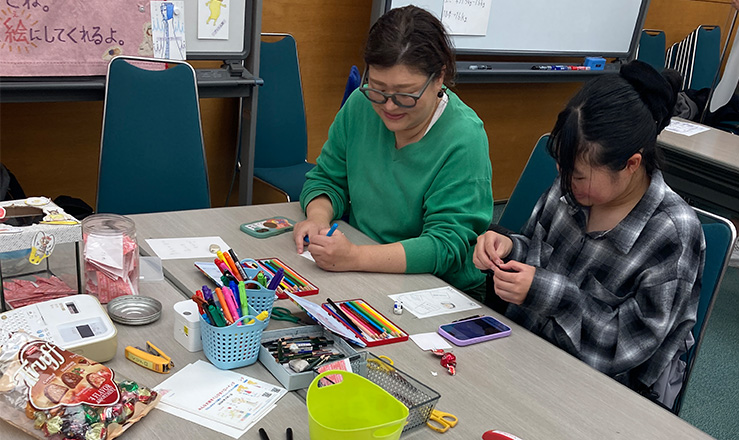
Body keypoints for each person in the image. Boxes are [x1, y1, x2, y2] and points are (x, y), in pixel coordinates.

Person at [473, 60, 705, 408]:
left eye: (579, 175)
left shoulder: (672, 232)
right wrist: (508, 248)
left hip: (598, 396)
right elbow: (536, 252)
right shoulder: (572, 189)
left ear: (631, 164)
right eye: (562, 168)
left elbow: (627, 348)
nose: (566, 181)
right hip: (521, 353)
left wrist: (546, 292)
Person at [294, 6, 493, 295]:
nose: (389, 106)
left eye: (405, 95)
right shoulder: (360, 106)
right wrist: (317, 219)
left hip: (438, 288)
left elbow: (446, 245)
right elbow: (328, 179)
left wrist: (355, 257)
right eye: (377, 88)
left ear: (439, 77)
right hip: (364, 267)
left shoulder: (463, 138)